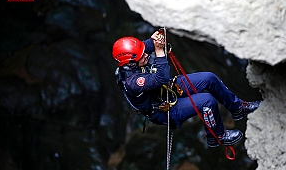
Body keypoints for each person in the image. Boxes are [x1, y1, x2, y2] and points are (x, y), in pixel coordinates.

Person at [112, 30, 261, 147]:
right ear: (131, 63)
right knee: (207, 101)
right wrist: (159, 52)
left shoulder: (134, 57)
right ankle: (216, 136)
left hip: (167, 90)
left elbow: (149, 45)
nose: (145, 54)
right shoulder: (133, 82)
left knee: (209, 78)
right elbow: (161, 77)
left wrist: (156, 38)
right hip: (163, 110)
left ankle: (237, 107)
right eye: (141, 56)